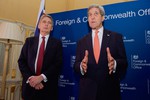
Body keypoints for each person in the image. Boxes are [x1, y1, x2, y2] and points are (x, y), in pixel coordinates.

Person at [74, 4, 128, 100]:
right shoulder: (81, 41)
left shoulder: (116, 37)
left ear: (103, 18)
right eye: (90, 15)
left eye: (96, 14)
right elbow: (76, 65)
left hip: (109, 92)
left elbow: (124, 62)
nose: (92, 17)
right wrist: (81, 66)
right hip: (87, 93)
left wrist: (114, 64)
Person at [18, 14, 63, 100]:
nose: (46, 24)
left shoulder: (57, 43)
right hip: (29, 87)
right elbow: (21, 61)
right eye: (44, 22)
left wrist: (41, 77)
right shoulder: (29, 41)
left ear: (52, 28)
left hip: (47, 89)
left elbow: (58, 64)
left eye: (49, 23)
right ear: (39, 25)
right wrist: (32, 79)